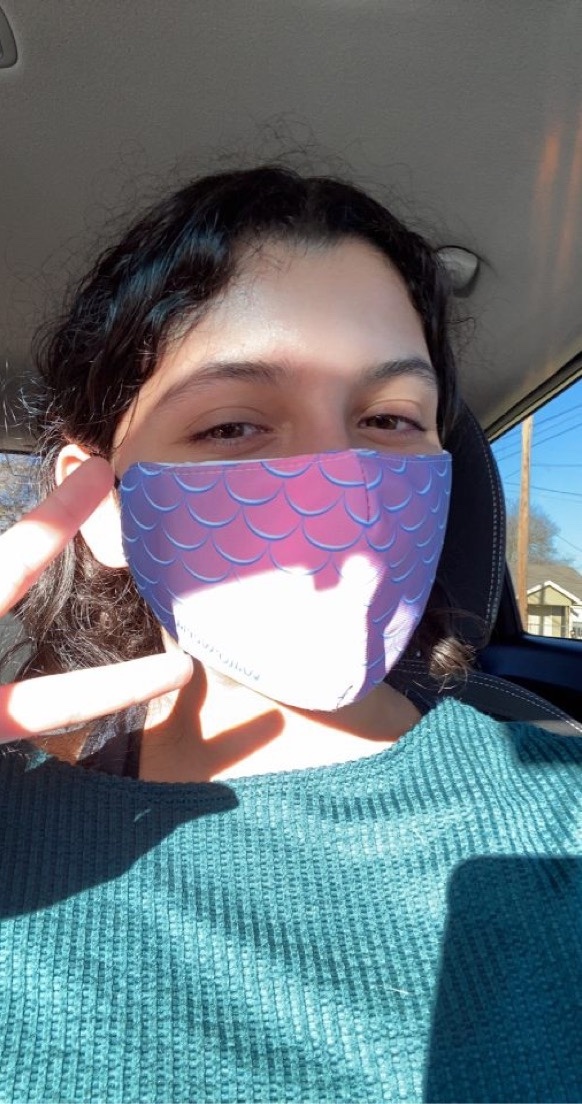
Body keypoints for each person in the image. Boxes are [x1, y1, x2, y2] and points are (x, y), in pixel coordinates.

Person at [0, 165, 579, 1104]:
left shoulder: (560, 812)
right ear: (103, 502)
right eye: (233, 425)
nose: (342, 489)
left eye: (389, 418)